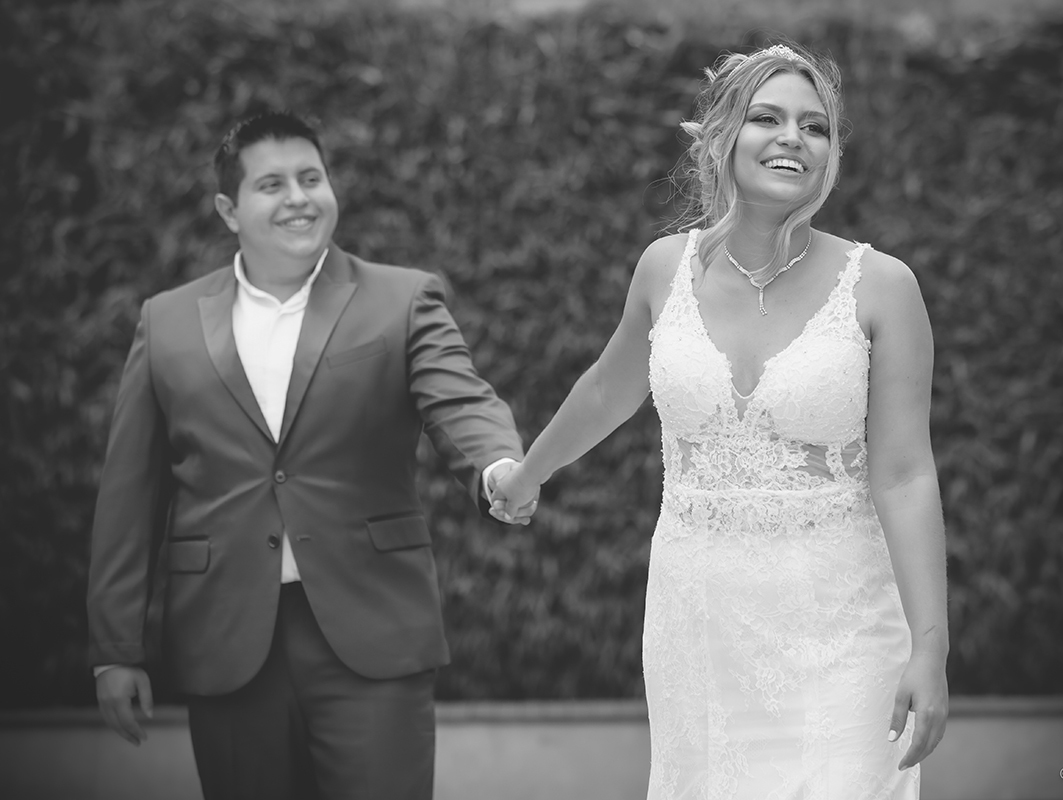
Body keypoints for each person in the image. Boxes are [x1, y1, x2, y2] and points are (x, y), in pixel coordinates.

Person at [491, 41, 948, 798]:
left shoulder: (883, 286)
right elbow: (607, 390)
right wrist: (526, 476)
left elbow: (904, 476)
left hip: (844, 629)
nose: (793, 138)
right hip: (699, 622)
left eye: (815, 126)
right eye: (768, 118)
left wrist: (930, 648)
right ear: (724, 136)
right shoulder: (662, 269)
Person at [87, 110, 534, 800]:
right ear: (229, 210)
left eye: (310, 178)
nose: (298, 197)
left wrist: (499, 467)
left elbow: (461, 401)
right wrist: (115, 650)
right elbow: (131, 491)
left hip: (373, 630)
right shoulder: (165, 321)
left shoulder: (403, 298)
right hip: (225, 637)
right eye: (272, 184)